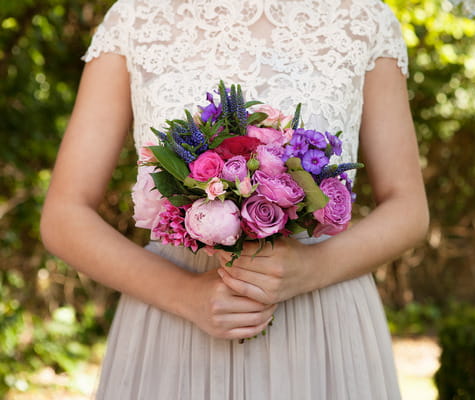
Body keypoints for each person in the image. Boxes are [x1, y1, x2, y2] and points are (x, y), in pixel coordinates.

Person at [40, 0, 429, 398]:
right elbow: (64, 215)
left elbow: (408, 208)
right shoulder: (135, 18)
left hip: (321, 317)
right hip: (177, 319)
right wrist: (185, 295)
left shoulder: (364, 18)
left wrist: (312, 268)